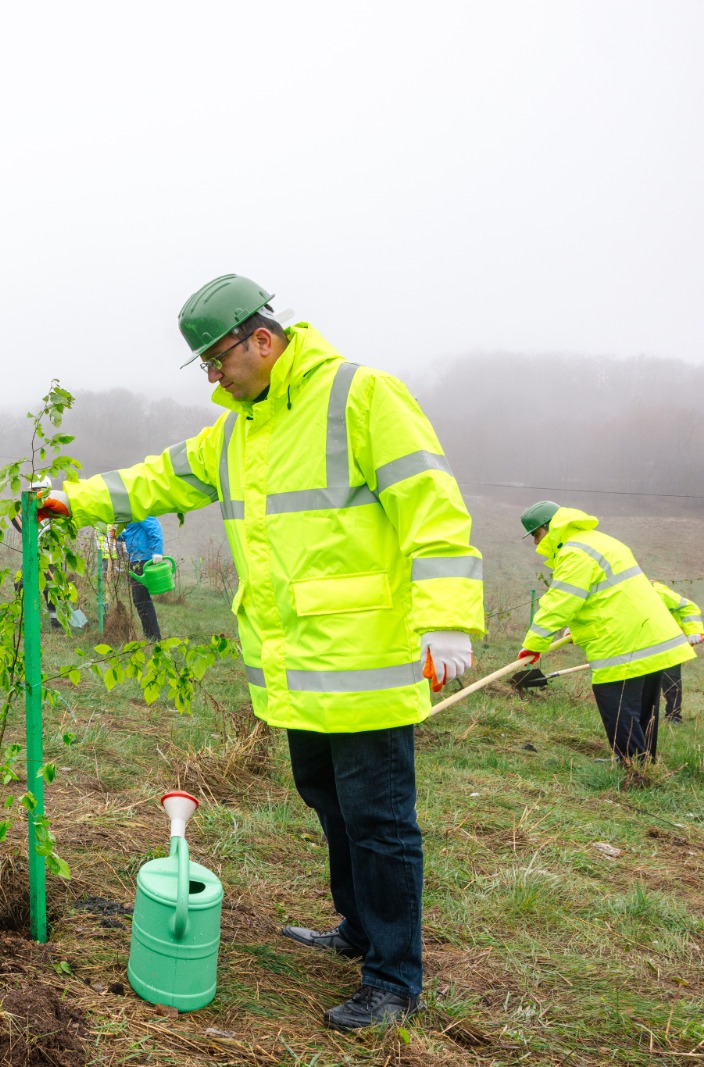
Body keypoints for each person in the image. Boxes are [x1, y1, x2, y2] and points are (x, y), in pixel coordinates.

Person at [35, 275, 483, 1030]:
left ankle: (394, 978)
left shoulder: (361, 396)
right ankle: (358, 928)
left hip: (366, 659)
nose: (213, 376)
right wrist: (69, 499)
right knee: (329, 802)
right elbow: (161, 477)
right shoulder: (237, 430)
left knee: (379, 819)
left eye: (217, 359)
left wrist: (447, 618)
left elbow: (431, 504)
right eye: (205, 365)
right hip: (299, 668)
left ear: (262, 339)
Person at [516, 502, 695, 761]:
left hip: (623, 643)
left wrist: (534, 643)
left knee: (617, 702)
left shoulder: (574, 552)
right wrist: (578, 629)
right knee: (644, 707)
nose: (535, 543)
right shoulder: (603, 541)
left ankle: (629, 766)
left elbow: (561, 599)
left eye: (535, 534)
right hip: (651, 636)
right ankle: (642, 762)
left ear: (549, 527)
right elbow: (607, 595)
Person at [653, 581, 703, 724]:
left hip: (670, 643)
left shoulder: (658, 592)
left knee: (671, 680)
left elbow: (689, 607)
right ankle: (648, 717)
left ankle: (673, 717)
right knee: (644, 681)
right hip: (644, 643)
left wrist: (694, 630)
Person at [118, 518, 165, 641]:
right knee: (139, 600)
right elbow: (132, 533)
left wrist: (158, 551)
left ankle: (154, 636)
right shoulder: (132, 515)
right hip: (135, 559)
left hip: (144, 559)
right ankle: (150, 634)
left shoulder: (141, 512)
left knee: (142, 599)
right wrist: (119, 536)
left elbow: (155, 528)